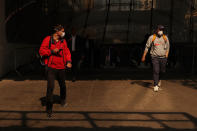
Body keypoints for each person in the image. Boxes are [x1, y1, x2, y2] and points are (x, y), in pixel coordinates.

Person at [39, 24, 72, 117]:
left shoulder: (63, 41)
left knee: (63, 85)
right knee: (50, 87)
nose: (63, 33)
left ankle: (63, 100)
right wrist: (52, 51)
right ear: (57, 31)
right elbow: (41, 51)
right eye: (62, 31)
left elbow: (67, 52)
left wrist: (69, 61)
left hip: (61, 68)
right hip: (51, 68)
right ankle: (49, 109)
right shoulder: (47, 39)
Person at [141, 25, 170, 92]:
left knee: (162, 71)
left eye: (162, 30)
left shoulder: (165, 38)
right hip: (155, 57)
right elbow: (147, 47)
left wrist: (166, 55)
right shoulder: (152, 37)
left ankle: (159, 79)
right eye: (160, 29)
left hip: (163, 57)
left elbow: (168, 47)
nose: (161, 31)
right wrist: (144, 56)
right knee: (156, 70)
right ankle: (155, 85)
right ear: (157, 30)